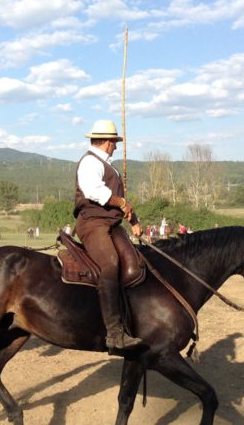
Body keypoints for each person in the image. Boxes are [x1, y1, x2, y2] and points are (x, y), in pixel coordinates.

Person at [73, 120, 144, 352]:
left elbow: (121, 205)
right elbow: (94, 191)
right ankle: (114, 333)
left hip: (112, 225)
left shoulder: (107, 165)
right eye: (114, 143)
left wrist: (133, 221)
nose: (115, 147)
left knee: (136, 261)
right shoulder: (89, 163)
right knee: (110, 264)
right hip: (93, 224)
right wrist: (121, 201)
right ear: (106, 142)